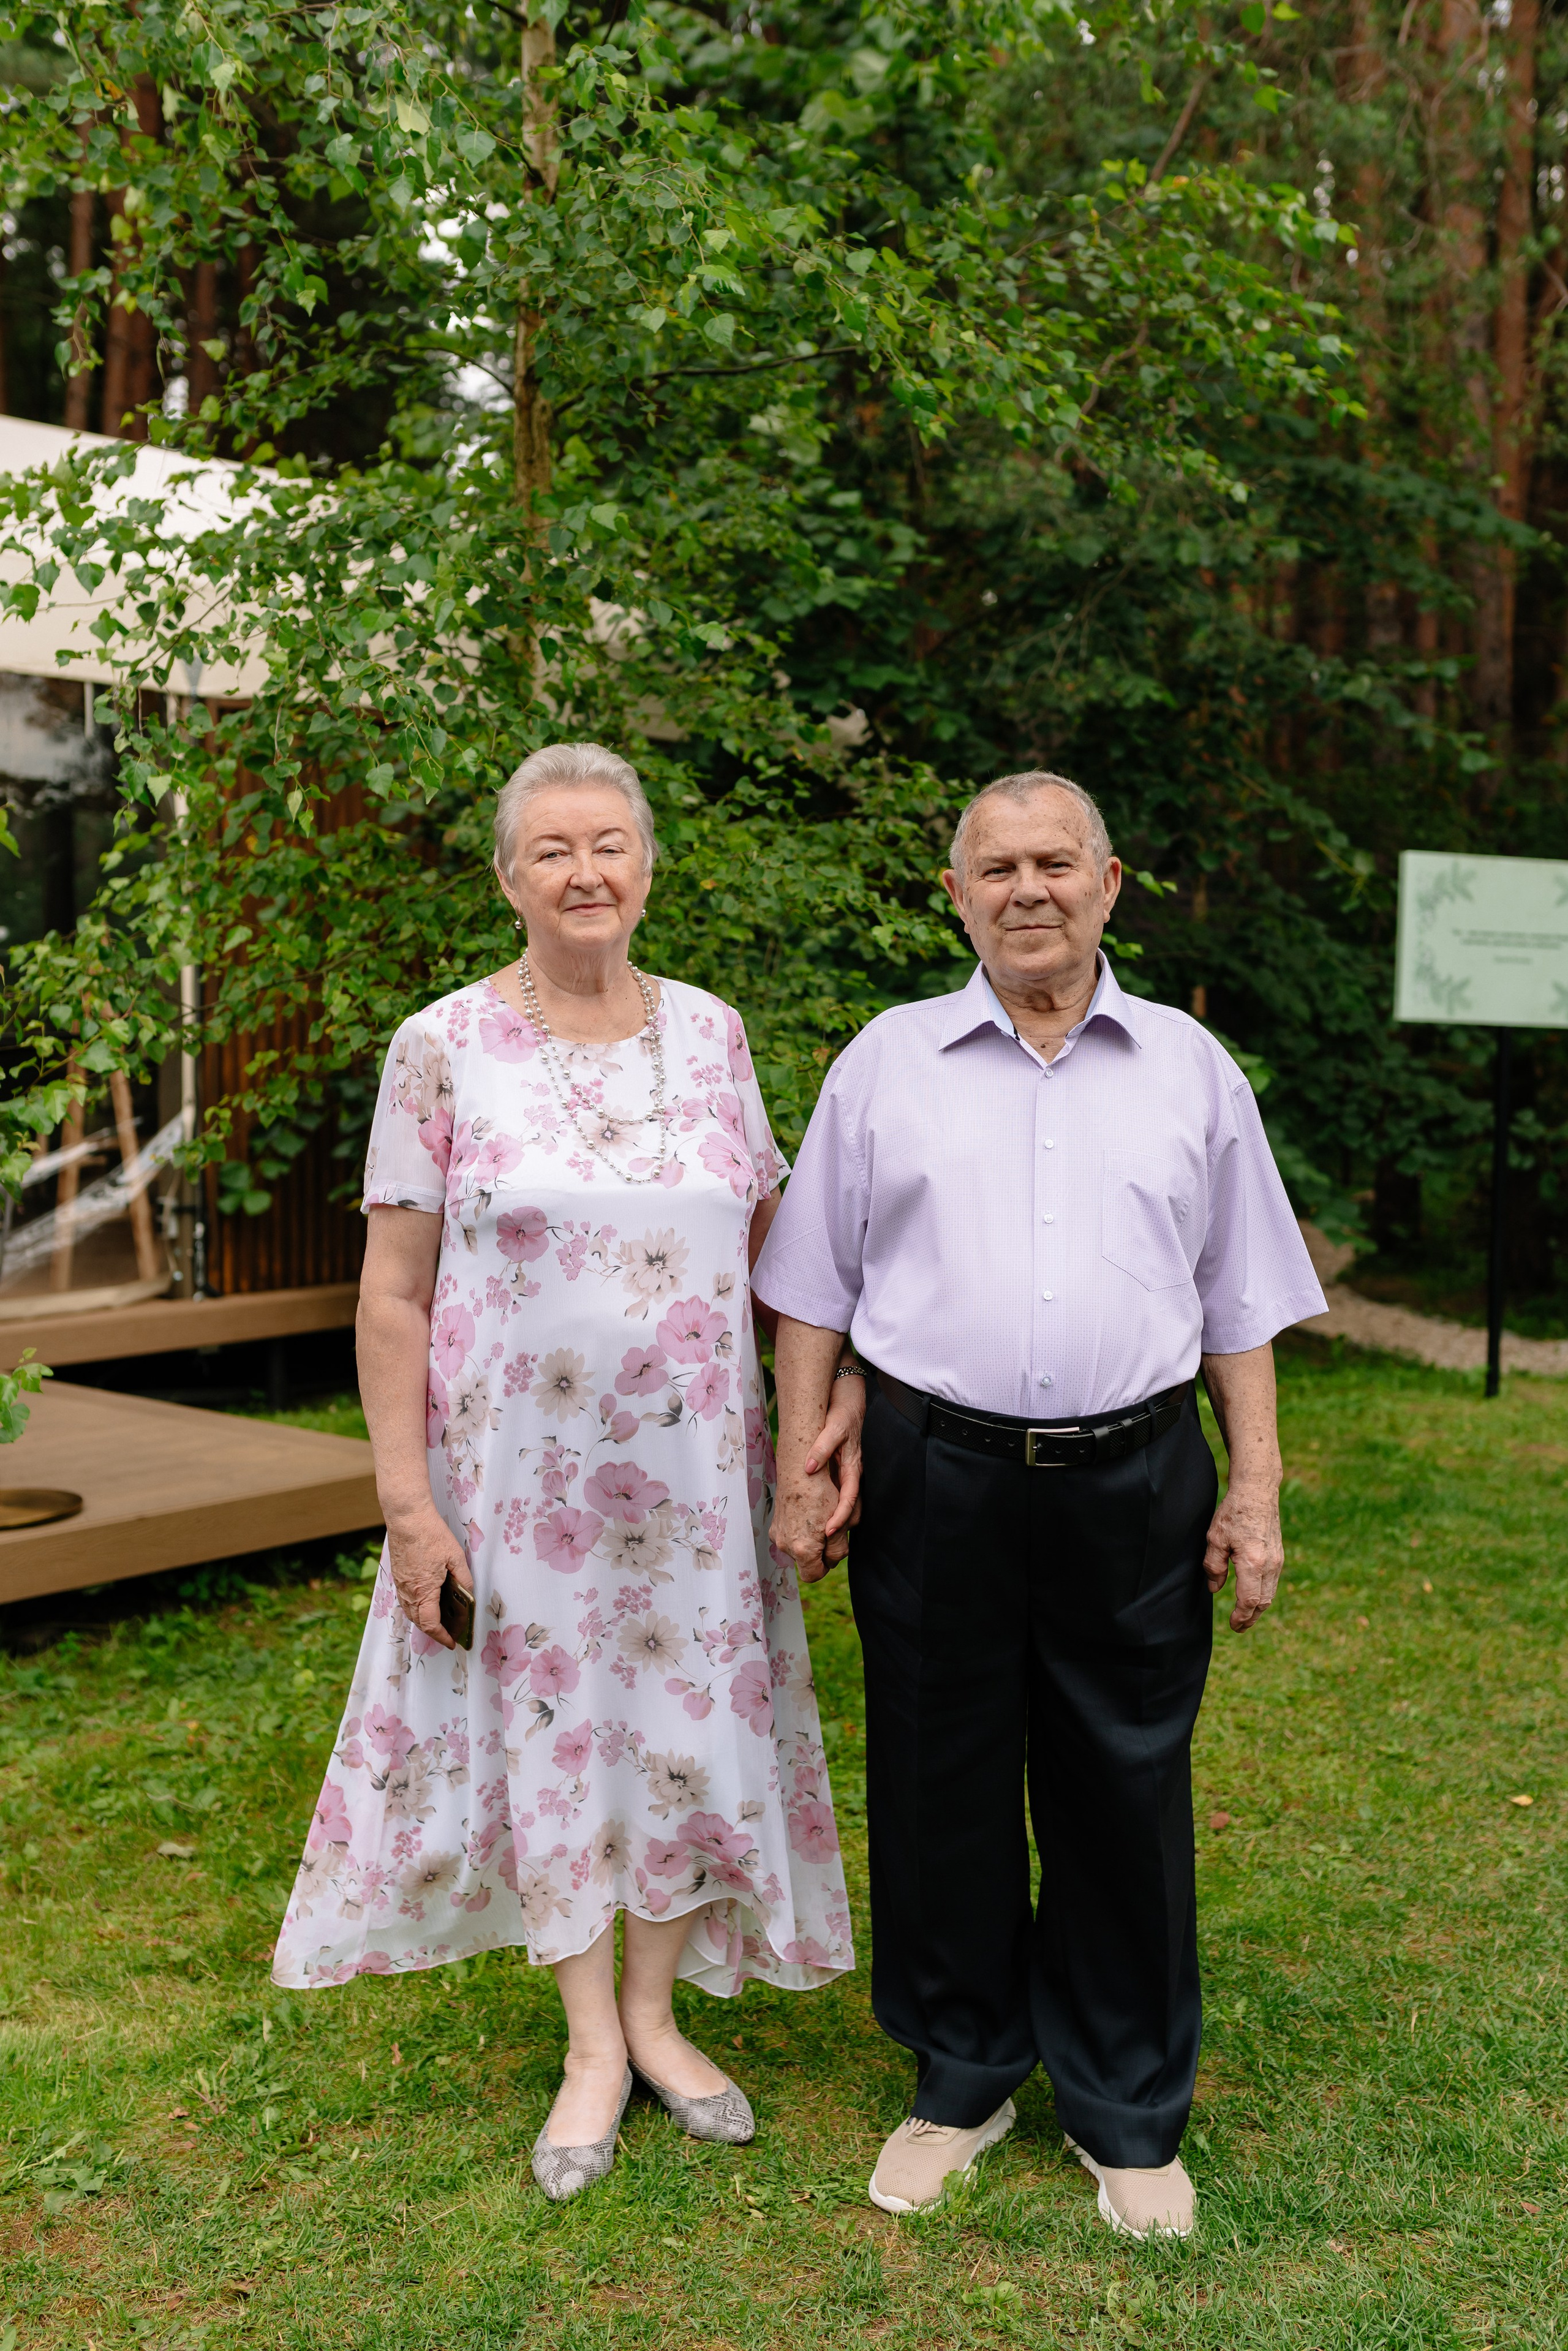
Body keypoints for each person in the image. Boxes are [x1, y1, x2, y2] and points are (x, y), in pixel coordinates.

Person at [273, 740, 854, 2201]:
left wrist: (810, 1429)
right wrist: (408, 1501)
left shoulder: (713, 1034)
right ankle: (590, 2039)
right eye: (552, 849)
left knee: (674, 1729)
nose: (585, 871)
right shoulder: (443, 1044)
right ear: (506, 876)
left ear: (648, 864)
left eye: (609, 843)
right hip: (519, 1489)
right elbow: (392, 1291)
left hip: (694, 1492)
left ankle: (657, 2018)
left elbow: (780, 1257)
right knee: (554, 1734)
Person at [753, 769, 1326, 2238]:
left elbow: (1241, 1300)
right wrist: (798, 1465)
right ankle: (961, 2072)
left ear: (1108, 882)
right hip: (932, 1473)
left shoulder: (1191, 1066)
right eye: (994, 865)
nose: (1027, 888)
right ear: (955, 893)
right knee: (939, 1773)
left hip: (1134, 1475)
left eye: (1054, 862)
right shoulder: (886, 1061)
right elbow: (812, 1288)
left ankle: (1127, 2106)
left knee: (1120, 1781)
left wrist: (1250, 1489)